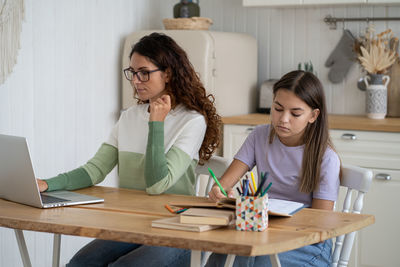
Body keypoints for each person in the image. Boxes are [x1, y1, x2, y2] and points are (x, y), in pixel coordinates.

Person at [36, 32, 221, 267]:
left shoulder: (192, 121)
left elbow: (156, 186)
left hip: (178, 230)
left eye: (144, 72)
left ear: (168, 73)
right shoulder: (129, 118)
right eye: (132, 73)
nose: (135, 80)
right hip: (133, 224)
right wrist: (47, 184)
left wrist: (156, 123)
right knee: (80, 264)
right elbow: (95, 170)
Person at [206, 70, 340, 267]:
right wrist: (219, 192)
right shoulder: (258, 136)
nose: (283, 119)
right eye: (278, 108)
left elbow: (317, 225)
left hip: (306, 242)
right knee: (222, 257)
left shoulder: (326, 158)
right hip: (262, 232)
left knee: (258, 262)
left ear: (313, 115)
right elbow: (223, 185)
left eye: (295, 113)